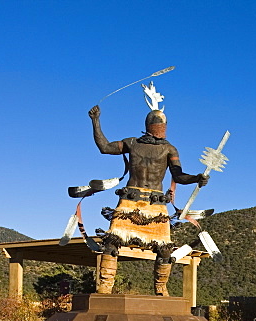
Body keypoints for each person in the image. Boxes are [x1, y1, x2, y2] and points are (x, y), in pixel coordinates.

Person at [86, 103, 208, 295]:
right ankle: (105, 287)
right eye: (160, 124)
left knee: (164, 250)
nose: (162, 128)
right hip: (130, 201)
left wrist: (196, 178)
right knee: (112, 242)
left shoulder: (169, 149)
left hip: (156, 204)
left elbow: (178, 176)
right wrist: (95, 121)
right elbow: (105, 147)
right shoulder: (133, 143)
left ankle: (161, 288)